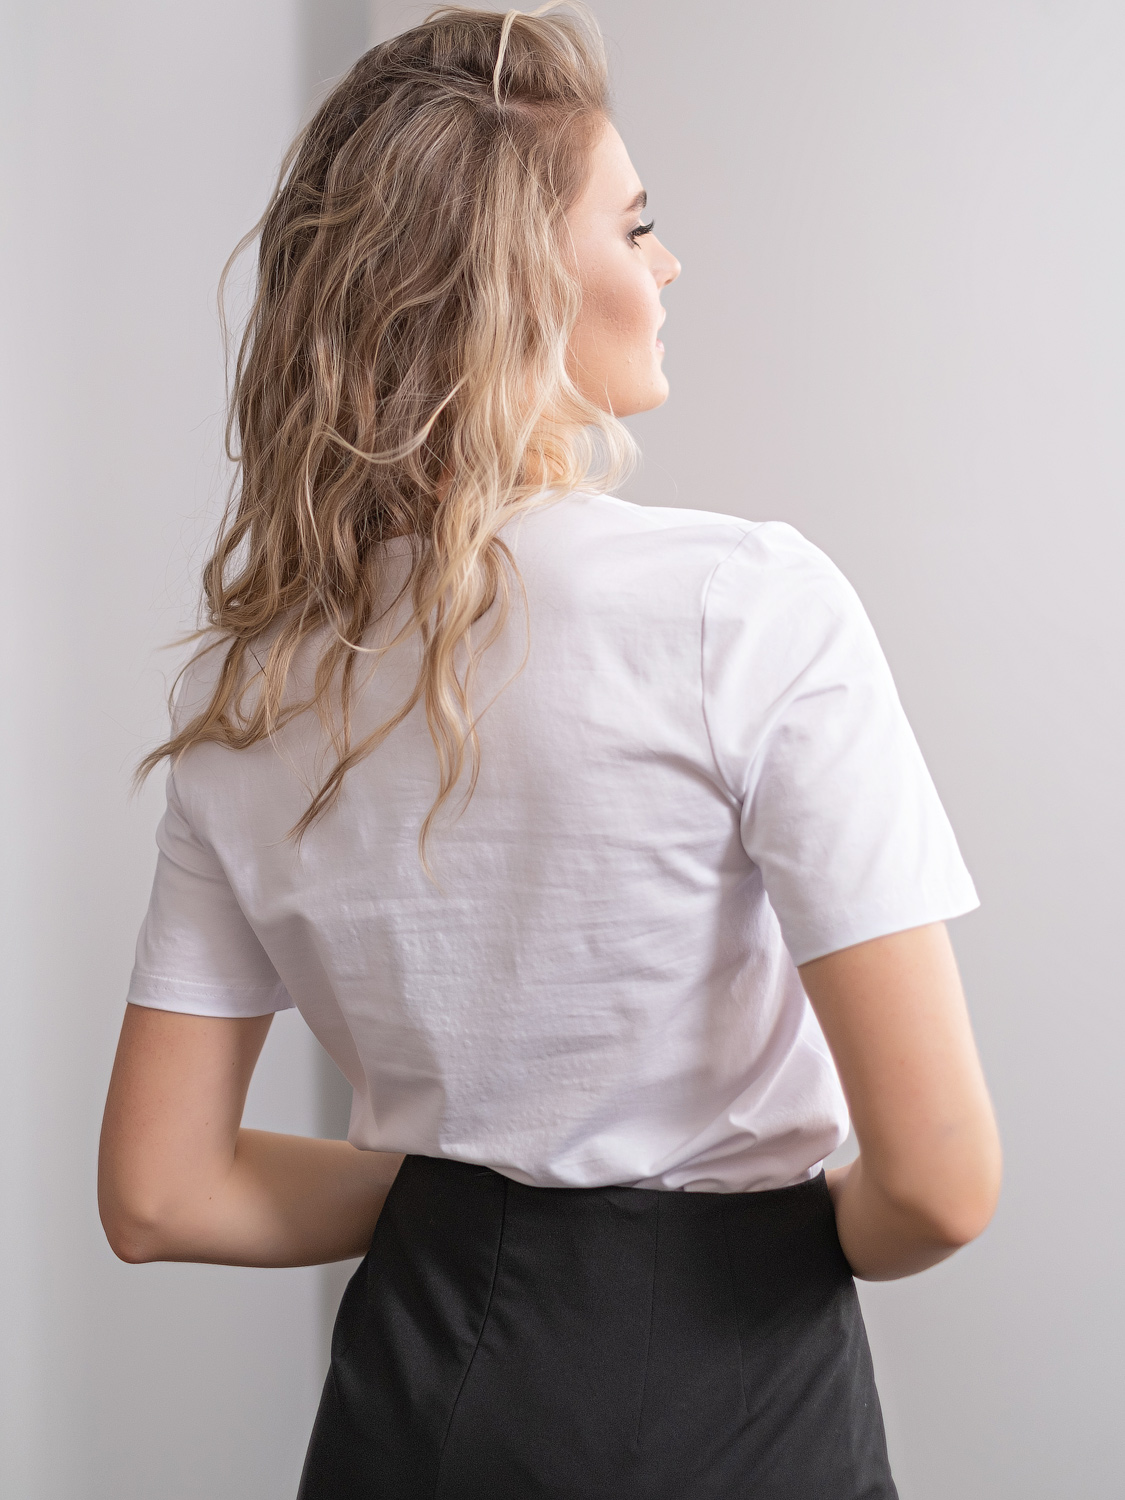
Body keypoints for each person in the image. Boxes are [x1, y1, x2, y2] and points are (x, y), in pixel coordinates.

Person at [98, 6, 1002, 1497]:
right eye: (634, 226)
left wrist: (477, 1208)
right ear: (514, 279)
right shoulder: (744, 605)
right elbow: (941, 1184)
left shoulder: (249, 689)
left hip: (410, 1398)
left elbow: (160, 1192)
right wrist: (752, 1239)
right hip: (731, 1397)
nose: (667, 265)